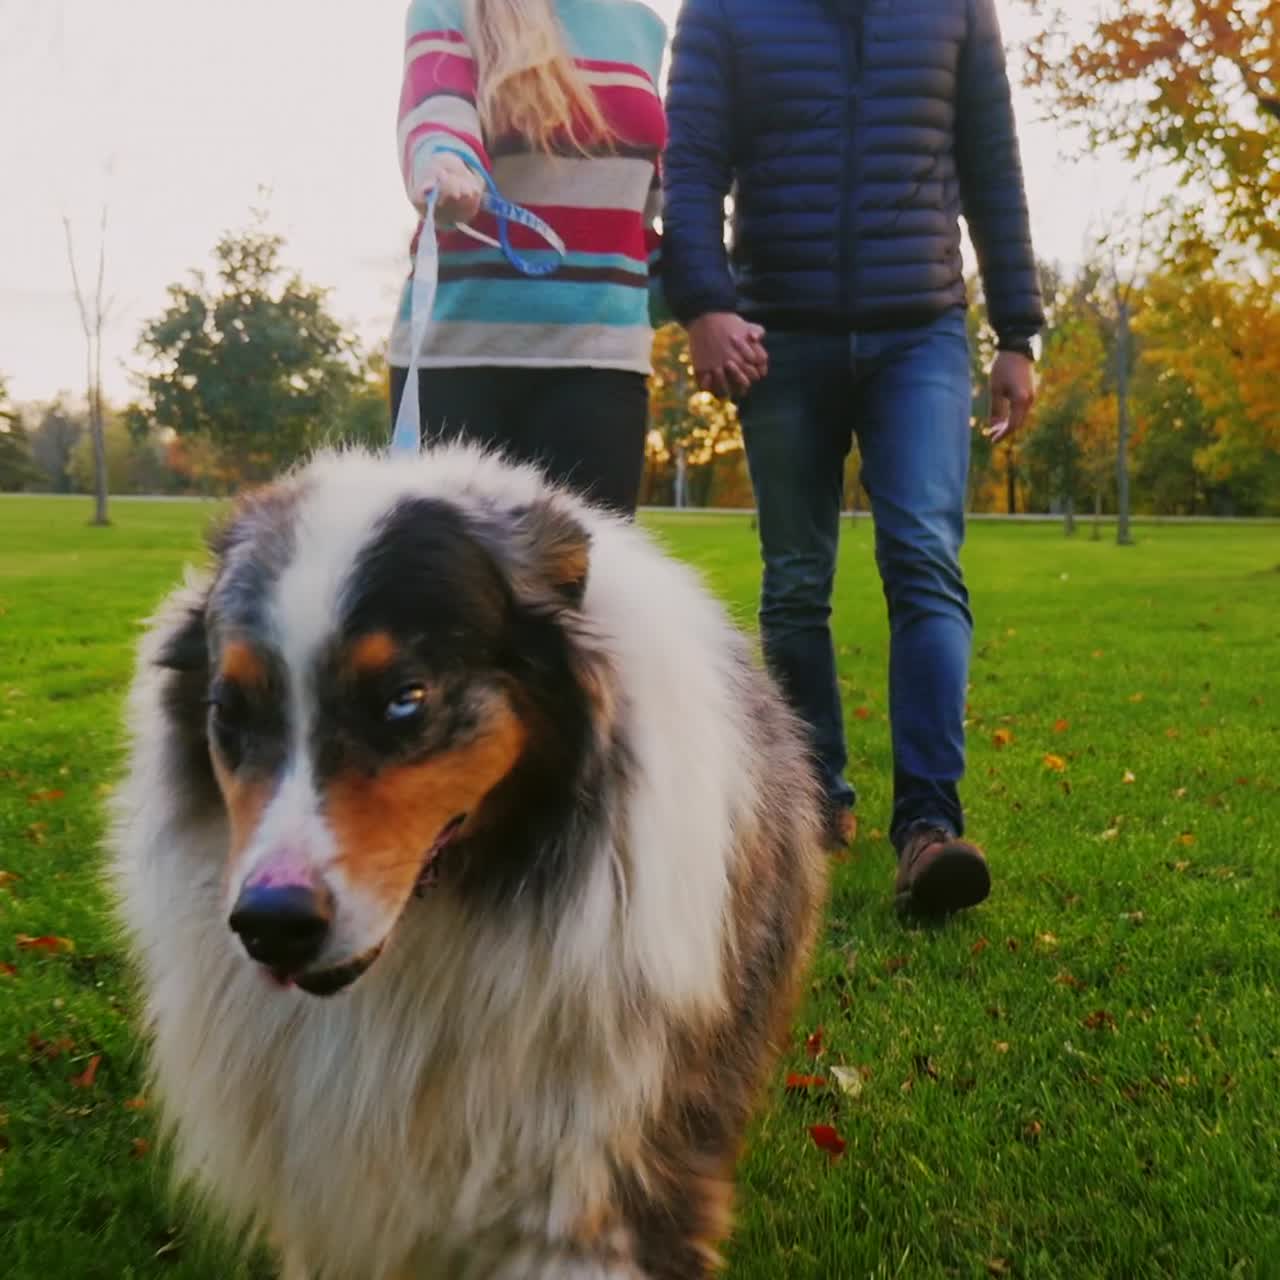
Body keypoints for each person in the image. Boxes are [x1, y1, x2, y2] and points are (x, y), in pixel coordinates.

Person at [662, 0, 1044, 915]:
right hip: (776, 334)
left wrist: (1018, 330)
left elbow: (992, 165)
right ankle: (814, 793)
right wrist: (703, 304)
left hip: (921, 332)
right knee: (795, 578)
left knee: (922, 555)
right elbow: (690, 168)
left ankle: (928, 826)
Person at [391, 0, 668, 516]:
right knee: (443, 584)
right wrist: (446, 168)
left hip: (601, 357)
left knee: (590, 582)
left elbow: (642, 197)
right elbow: (436, 115)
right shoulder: (448, 8)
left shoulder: (643, 27)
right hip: (460, 355)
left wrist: (706, 294)